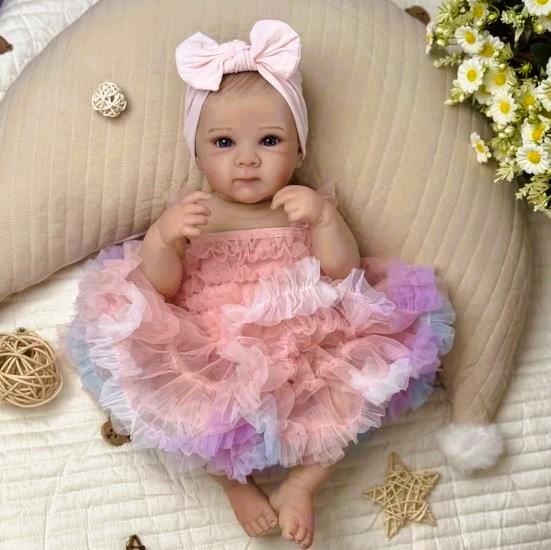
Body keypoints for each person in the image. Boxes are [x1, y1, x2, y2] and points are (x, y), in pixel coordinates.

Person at [61, 20, 455, 550]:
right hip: (216, 342)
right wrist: (163, 238)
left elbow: (343, 272)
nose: (247, 158)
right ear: (196, 153)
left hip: (305, 343)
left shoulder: (304, 205)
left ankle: (303, 482)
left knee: (354, 396)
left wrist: (325, 221)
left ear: (299, 150)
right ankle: (234, 484)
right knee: (194, 415)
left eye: (269, 141)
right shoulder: (196, 212)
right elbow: (162, 288)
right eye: (224, 142)